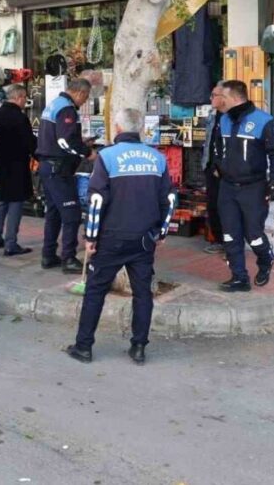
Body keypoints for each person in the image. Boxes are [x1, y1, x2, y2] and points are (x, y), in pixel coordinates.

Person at [66, 108, 176, 365]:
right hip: (144, 238)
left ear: (117, 128)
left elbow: (96, 201)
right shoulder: (157, 158)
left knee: (95, 291)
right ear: (139, 129)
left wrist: (90, 237)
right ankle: (138, 347)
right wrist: (161, 231)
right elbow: (169, 199)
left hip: (111, 238)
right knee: (142, 293)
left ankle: (84, 346)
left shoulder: (107, 157)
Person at [213, 80, 274, 293]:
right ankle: (239, 278)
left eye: (222, 97)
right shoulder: (223, 120)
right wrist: (218, 165)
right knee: (230, 235)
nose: (219, 101)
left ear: (234, 98)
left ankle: (265, 259)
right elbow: (217, 145)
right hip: (227, 187)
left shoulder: (263, 120)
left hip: (253, 187)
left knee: (253, 234)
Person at [36, 77, 93, 274]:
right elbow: (65, 141)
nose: (84, 102)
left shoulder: (53, 105)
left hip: (49, 167)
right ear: (80, 93)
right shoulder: (66, 109)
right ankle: (68, 258)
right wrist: (87, 152)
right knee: (71, 213)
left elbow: (59, 136)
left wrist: (80, 141)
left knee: (54, 213)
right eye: (85, 98)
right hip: (58, 170)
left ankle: (48, 254)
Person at [0, 84, 36, 257]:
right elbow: (30, 142)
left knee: (2, 200)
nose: (26, 101)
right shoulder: (19, 117)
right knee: (16, 202)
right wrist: (40, 156)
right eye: (25, 97)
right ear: (19, 97)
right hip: (17, 164)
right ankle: (11, 243)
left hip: (0, 162)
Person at [200, 83, 228, 253]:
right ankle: (219, 240)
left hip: (224, 170)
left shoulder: (231, 118)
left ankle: (229, 243)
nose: (211, 98)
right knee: (213, 204)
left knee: (226, 206)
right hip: (210, 166)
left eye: (214, 95)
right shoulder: (212, 115)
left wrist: (222, 166)